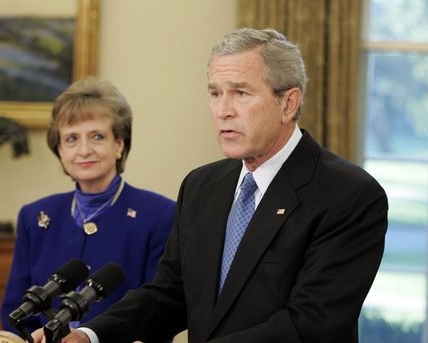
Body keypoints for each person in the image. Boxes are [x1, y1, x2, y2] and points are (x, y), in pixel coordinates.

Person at [32, 28, 388, 343]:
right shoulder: (202, 186)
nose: (223, 110)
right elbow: (170, 294)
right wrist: (90, 334)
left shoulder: (349, 195)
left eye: (241, 94)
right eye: (215, 93)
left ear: (288, 103)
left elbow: (310, 325)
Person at [0, 77, 176, 336]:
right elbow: (14, 312)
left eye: (97, 136)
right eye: (71, 139)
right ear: (59, 149)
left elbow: (158, 312)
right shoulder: (34, 216)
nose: (84, 150)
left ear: (119, 143)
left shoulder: (159, 216)